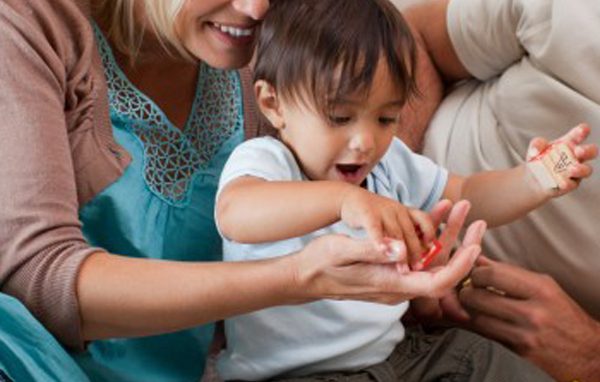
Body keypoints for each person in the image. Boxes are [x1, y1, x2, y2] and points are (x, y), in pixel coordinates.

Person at [0, 0, 487, 381]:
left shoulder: (269, 43)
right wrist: (297, 277)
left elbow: (386, 63)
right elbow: (41, 282)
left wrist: (417, 258)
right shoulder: (31, 25)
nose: (255, 10)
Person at [213, 0, 595, 380]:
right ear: (272, 103)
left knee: (488, 363)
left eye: (386, 118)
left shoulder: (389, 161)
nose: (365, 141)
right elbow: (235, 214)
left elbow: (467, 194)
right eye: (340, 117)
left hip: (397, 354)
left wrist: (533, 180)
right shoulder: (267, 161)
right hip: (295, 374)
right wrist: (345, 200)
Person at [391, 0, 600, 380]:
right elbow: (410, 41)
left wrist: (593, 357)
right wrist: (390, 193)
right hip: (363, 207)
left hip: (487, 356)